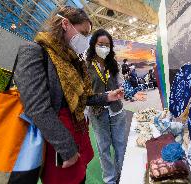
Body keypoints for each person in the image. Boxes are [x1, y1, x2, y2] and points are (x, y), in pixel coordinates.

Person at [14, 6, 123, 184]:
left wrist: (106, 97)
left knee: (81, 178)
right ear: (65, 24)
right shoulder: (34, 52)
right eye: (83, 33)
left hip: (79, 133)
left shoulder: (73, 59)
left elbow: (82, 97)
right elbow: (37, 107)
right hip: (59, 141)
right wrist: (67, 148)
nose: (86, 40)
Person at [86, 29, 146, 184]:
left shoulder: (113, 65)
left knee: (120, 144)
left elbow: (122, 84)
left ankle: (123, 174)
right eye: (101, 44)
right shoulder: (85, 67)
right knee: (103, 148)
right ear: (93, 45)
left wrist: (132, 93)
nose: (104, 48)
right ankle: (110, 179)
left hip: (117, 111)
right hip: (98, 113)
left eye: (107, 45)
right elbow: (84, 95)